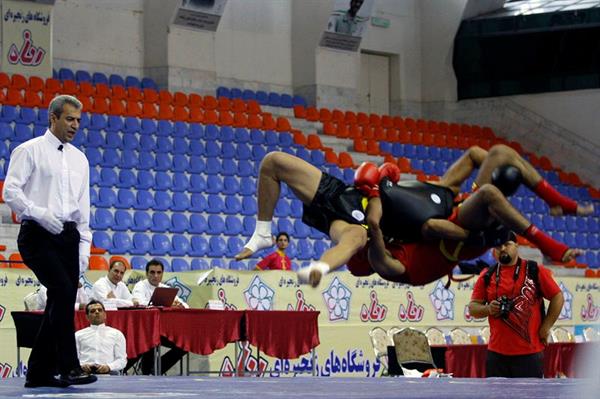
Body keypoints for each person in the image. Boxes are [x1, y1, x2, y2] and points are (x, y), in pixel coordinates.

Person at [235, 151, 581, 287]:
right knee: (272, 161)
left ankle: (319, 270)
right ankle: (262, 232)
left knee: (355, 238)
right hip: (343, 192)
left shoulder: (442, 228)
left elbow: (425, 230)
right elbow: (479, 155)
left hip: (362, 216)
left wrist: (375, 194)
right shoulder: (449, 189)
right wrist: (379, 184)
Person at [3, 95, 96, 388]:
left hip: (69, 236)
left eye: (79, 120)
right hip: (37, 234)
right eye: (70, 119)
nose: (75, 125)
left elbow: (84, 209)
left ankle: (38, 372)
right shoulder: (28, 150)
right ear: (53, 118)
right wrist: (41, 214)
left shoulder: (80, 159)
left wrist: (84, 248)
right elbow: (11, 192)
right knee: (63, 291)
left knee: (61, 300)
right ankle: (69, 366)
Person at [468, 234, 564, 377]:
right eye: (498, 246)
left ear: (517, 246)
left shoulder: (534, 270)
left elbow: (558, 297)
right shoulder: (487, 275)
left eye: (507, 244)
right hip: (496, 354)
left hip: (529, 353)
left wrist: (546, 326)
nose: (502, 249)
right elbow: (473, 308)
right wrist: (488, 309)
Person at [131, 259, 188, 375]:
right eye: (152, 272)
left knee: (184, 344)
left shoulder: (166, 288)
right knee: (151, 339)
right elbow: (140, 303)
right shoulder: (140, 286)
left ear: (162, 274)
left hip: (163, 332)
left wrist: (179, 305)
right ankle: (147, 371)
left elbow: (186, 306)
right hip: (144, 331)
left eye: (158, 272)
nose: (155, 276)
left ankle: (158, 369)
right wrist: (166, 304)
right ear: (147, 274)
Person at [75, 301, 127, 375]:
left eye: (100, 310)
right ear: (87, 317)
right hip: (84, 373)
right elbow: (73, 360)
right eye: (92, 311)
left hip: (110, 373)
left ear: (105, 315)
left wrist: (109, 367)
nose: (97, 312)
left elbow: (122, 360)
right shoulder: (78, 335)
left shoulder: (117, 334)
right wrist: (81, 366)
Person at [25, 282, 89, 311]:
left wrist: (80, 289)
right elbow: (56, 306)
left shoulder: (73, 285)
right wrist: (78, 306)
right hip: (48, 320)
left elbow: (85, 305)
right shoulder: (45, 288)